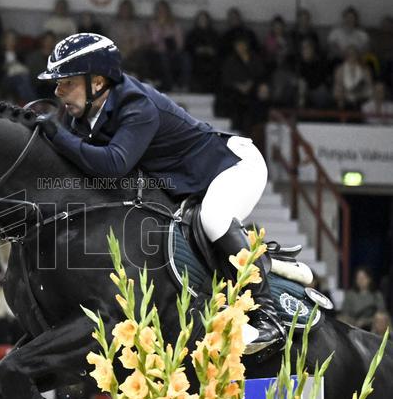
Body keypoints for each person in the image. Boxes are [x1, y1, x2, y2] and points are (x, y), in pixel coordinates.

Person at [35, 33, 284, 351]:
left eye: (66, 82)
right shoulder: (86, 112)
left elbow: (113, 164)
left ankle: (268, 316)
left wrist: (55, 134)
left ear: (97, 81)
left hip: (232, 168)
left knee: (214, 217)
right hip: (185, 182)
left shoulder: (138, 106)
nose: (58, 92)